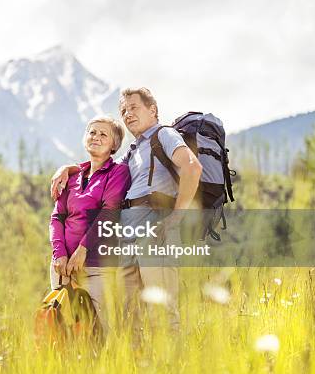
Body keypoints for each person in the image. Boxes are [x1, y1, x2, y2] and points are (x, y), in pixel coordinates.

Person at [51, 88, 202, 331]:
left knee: (162, 311)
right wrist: (68, 169)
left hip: (156, 226)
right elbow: (101, 164)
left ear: (152, 110)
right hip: (128, 236)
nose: (128, 114)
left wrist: (176, 217)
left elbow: (192, 168)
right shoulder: (133, 151)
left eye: (134, 107)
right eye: (123, 110)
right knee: (129, 316)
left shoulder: (165, 134)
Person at [49, 115, 135, 335]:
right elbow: (57, 217)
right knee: (63, 330)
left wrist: (82, 251)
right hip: (62, 266)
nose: (95, 136)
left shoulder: (118, 172)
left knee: (100, 330)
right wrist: (59, 254)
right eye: (92, 132)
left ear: (114, 145)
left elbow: (109, 213)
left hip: (96, 264)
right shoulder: (72, 176)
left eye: (103, 134)